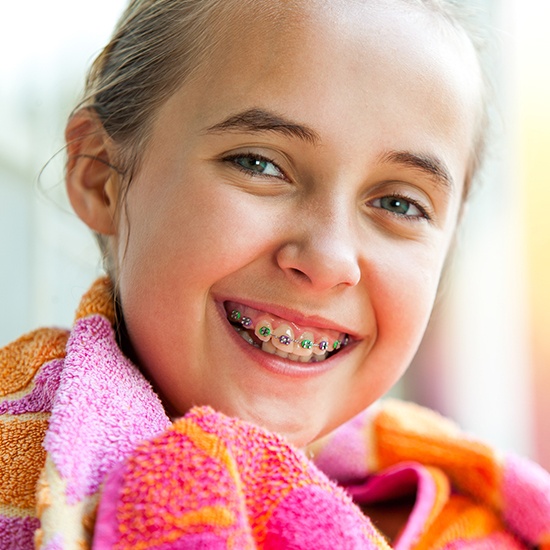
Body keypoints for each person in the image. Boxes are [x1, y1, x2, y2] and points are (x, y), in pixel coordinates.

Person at [1, 0, 549, 548]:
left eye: (400, 204)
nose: (328, 259)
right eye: (260, 164)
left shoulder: (482, 526)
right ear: (100, 175)